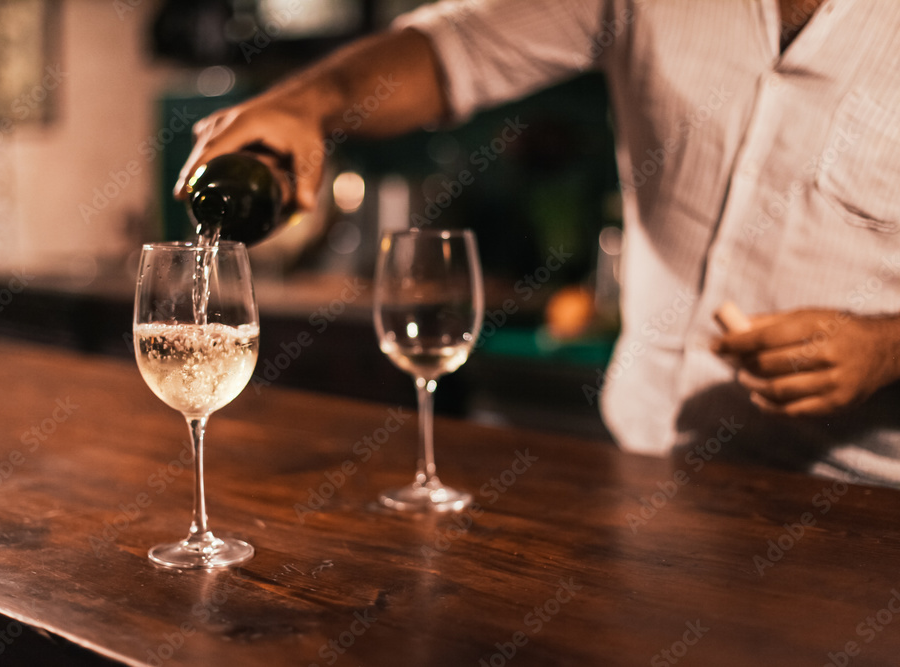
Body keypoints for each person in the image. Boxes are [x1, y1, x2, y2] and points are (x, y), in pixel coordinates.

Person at [176, 0, 900, 487]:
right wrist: (310, 101)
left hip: (862, 506)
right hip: (647, 479)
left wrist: (887, 346)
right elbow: (457, 44)